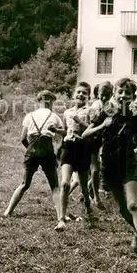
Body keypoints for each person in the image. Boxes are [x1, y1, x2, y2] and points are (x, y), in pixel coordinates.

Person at [82, 77, 137, 264]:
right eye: (120, 91)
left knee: (133, 204)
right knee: (123, 209)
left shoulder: (135, 117)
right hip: (109, 164)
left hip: (129, 162)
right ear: (114, 93)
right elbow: (85, 135)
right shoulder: (104, 111)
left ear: (133, 96)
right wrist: (103, 125)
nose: (123, 95)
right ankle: (136, 232)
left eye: (128, 93)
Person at [3, 90, 66, 230]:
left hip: (31, 150)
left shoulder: (29, 116)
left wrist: (30, 150)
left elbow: (22, 138)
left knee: (24, 184)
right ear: (50, 101)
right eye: (52, 101)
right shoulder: (54, 116)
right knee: (55, 187)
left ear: (39, 100)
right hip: (47, 150)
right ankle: (60, 220)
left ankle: (8, 211)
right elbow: (65, 133)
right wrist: (56, 139)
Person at [57, 82, 93, 230]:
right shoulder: (67, 112)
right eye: (78, 92)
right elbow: (65, 131)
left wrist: (80, 121)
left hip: (83, 149)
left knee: (84, 188)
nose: (80, 95)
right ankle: (61, 218)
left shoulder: (90, 111)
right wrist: (58, 132)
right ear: (74, 94)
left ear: (88, 97)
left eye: (84, 93)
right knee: (65, 183)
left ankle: (89, 209)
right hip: (69, 148)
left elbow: (92, 130)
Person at [87, 81, 115, 209]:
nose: (104, 97)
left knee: (105, 167)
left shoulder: (113, 106)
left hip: (107, 139)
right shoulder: (94, 106)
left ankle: (90, 187)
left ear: (112, 94)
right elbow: (92, 125)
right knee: (95, 167)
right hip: (94, 138)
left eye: (108, 95)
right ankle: (96, 198)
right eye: (102, 94)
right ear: (98, 94)